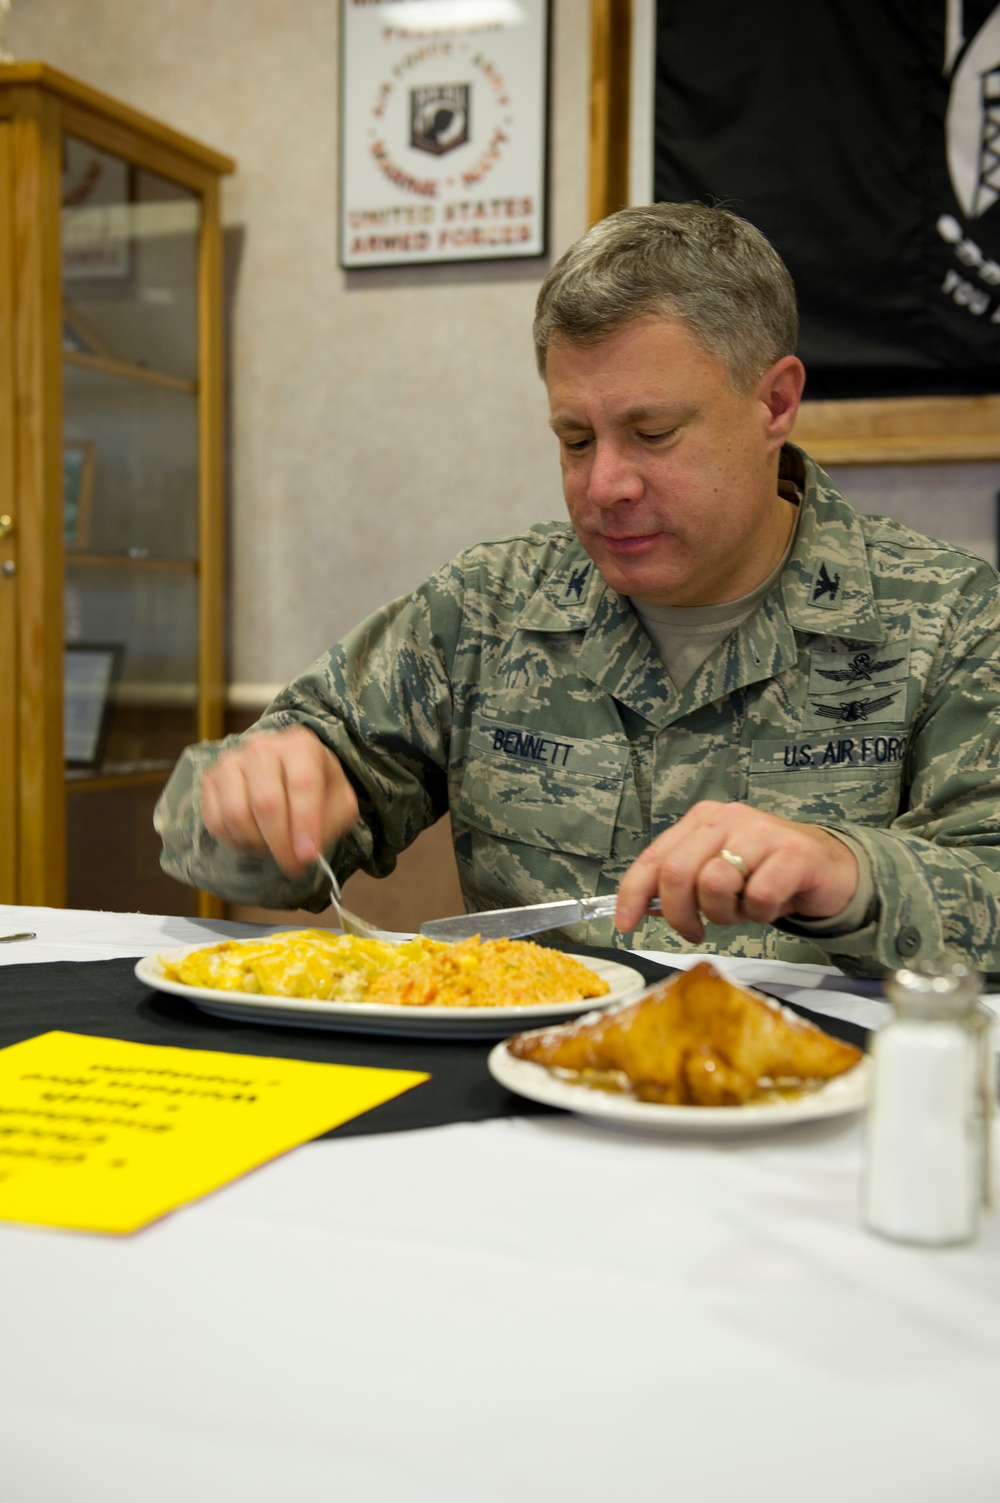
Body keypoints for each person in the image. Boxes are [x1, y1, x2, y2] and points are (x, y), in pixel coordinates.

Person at [156, 202, 1000, 973]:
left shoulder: (945, 618)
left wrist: (846, 873)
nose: (605, 486)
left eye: (652, 432)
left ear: (774, 403)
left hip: (816, 1110)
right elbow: (211, 835)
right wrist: (251, 804)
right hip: (531, 1100)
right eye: (574, 439)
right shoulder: (487, 609)